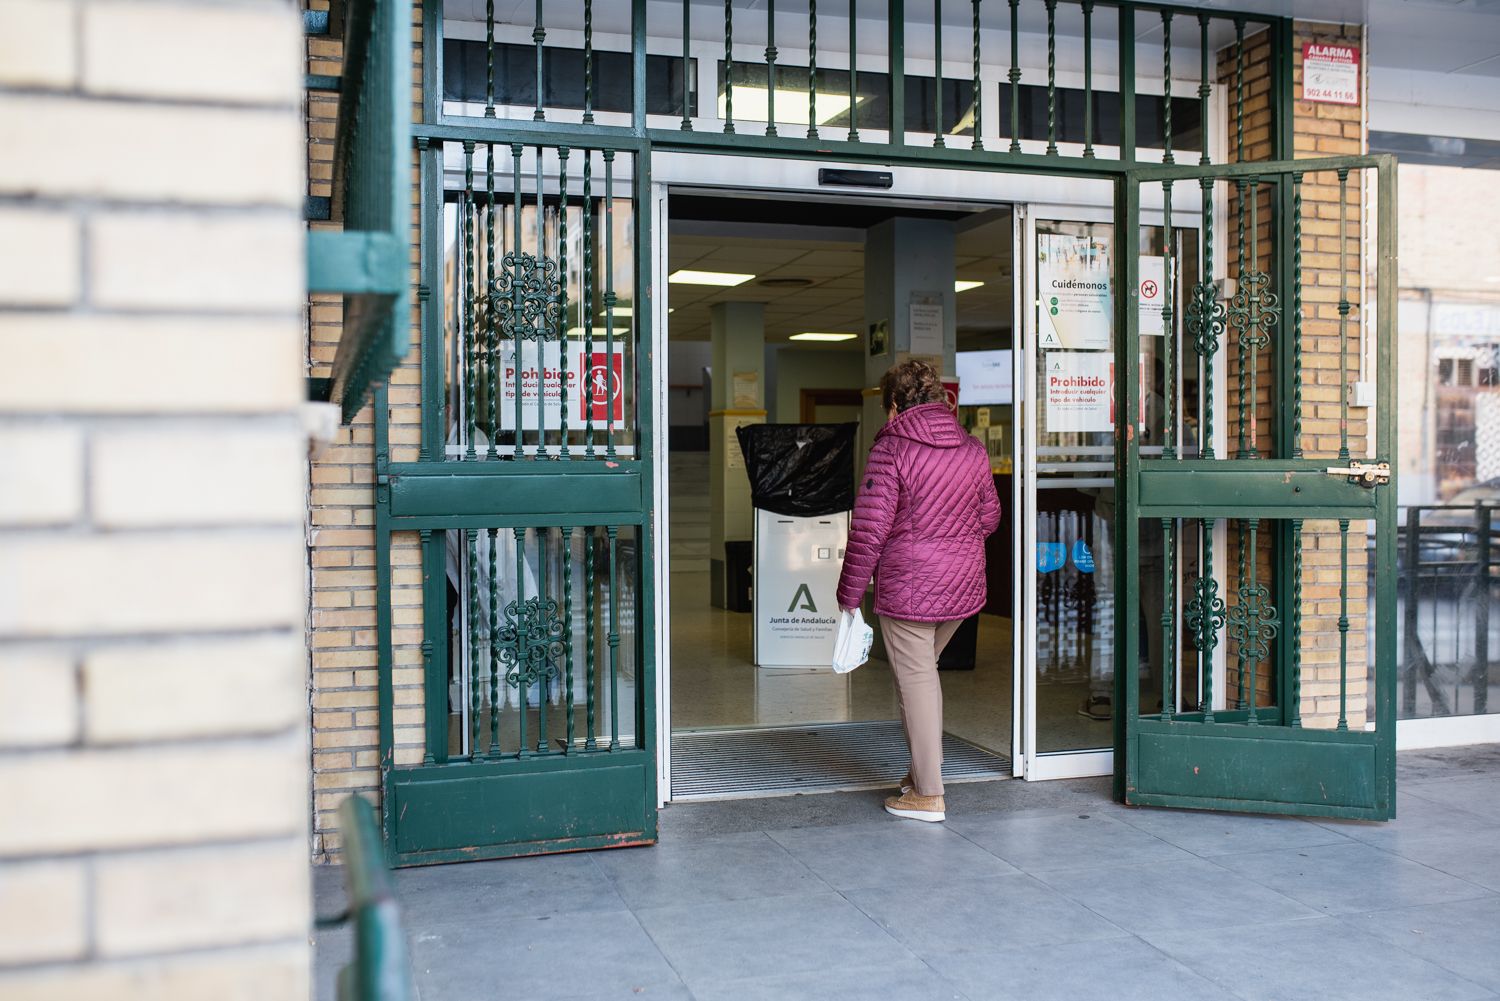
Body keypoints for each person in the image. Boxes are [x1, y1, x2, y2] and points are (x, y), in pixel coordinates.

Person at [836, 359, 1001, 822]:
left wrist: (849, 597)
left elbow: (869, 531)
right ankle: (918, 774)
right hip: (961, 585)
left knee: (917, 682)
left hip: (911, 586)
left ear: (893, 403)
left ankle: (929, 792)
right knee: (922, 675)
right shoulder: (971, 448)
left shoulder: (892, 449)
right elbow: (989, 518)